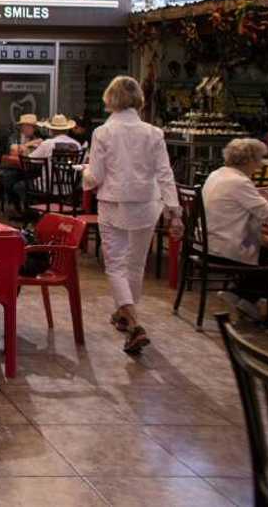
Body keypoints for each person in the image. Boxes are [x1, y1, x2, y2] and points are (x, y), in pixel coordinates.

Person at [83, 76, 182, 355]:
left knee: (115, 265)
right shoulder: (154, 133)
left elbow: (95, 177)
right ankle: (125, 314)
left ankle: (135, 323)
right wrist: (174, 211)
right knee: (136, 265)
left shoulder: (103, 132)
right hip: (147, 203)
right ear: (138, 98)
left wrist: (83, 175)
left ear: (109, 99)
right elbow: (165, 173)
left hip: (113, 202)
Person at [202, 138, 268, 320]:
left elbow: (234, 197)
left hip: (207, 241)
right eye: (259, 160)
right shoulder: (239, 182)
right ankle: (251, 299)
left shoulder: (218, 174)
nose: (259, 165)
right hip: (225, 245)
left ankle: (242, 295)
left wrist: (256, 193)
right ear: (249, 160)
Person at [0, 113, 44, 213]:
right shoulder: (14, 137)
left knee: (30, 178)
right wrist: (30, 144)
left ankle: (30, 208)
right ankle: (16, 204)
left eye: (30, 127)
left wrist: (24, 147)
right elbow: (13, 151)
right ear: (21, 127)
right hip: (13, 167)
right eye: (25, 126)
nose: (27, 129)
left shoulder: (38, 137)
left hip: (31, 168)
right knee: (9, 177)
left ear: (35, 128)